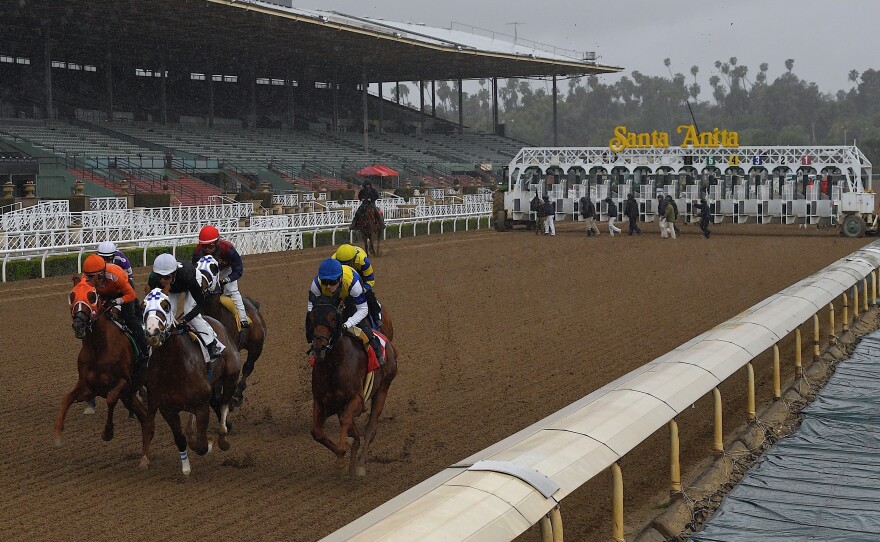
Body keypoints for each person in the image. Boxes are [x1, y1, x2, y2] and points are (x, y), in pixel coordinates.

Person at [82, 254, 150, 384]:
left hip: (122, 293)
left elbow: (131, 294)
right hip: (104, 294)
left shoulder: (115, 275)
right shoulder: (87, 277)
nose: (87, 280)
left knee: (128, 319)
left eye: (91, 277)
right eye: (86, 276)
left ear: (100, 274)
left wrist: (117, 301)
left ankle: (143, 351)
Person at [306, 258, 384, 366]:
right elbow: (311, 306)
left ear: (340, 278)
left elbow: (363, 309)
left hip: (350, 296)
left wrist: (346, 325)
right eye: (325, 282)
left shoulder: (353, 283)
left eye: (332, 282)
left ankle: (377, 351)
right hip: (330, 299)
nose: (328, 286)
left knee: (361, 325)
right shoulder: (316, 284)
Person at [149, 253, 225, 360]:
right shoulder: (153, 279)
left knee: (189, 310)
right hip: (175, 287)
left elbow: (202, 303)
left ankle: (212, 344)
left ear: (174, 273)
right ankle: (160, 337)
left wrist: (185, 320)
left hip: (191, 281)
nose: (162, 280)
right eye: (159, 276)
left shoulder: (187, 276)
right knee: (169, 311)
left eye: (167, 277)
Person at [192, 225, 250, 328]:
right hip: (208, 272)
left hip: (225, 270)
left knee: (232, 290)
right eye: (204, 247)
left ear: (217, 242)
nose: (207, 249)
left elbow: (238, 269)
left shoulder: (228, 249)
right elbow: (194, 269)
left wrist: (228, 279)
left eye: (210, 246)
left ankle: (243, 318)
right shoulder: (198, 251)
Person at [332, 243, 382, 329]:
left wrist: (361, 290)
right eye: (342, 264)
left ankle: (376, 317)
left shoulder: (363, 261)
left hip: (360, 276)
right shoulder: (333, 262)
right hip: (342, 278)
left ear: (353, 260)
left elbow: (370, 280)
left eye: (347, 264)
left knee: (369, 295)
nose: (345, 267)